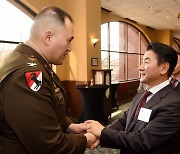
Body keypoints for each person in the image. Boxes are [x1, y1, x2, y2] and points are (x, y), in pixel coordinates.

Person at [0, 6, 97, 154]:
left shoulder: (34, 63)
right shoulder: (27, 75)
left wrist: (69, 126)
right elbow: (49, 146)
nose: (70, 48)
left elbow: (43, 109)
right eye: (68, 40)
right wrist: (85, 140)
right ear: (48, 37)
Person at [85, 41, 180, 154]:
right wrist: (101, 134)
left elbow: (143, 141)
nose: (140, 67)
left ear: (164, 68)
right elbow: (125, 120)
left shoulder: (174, 104)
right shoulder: (142, 94)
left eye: (146, 62)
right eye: (141, 62)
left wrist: (103, 132)